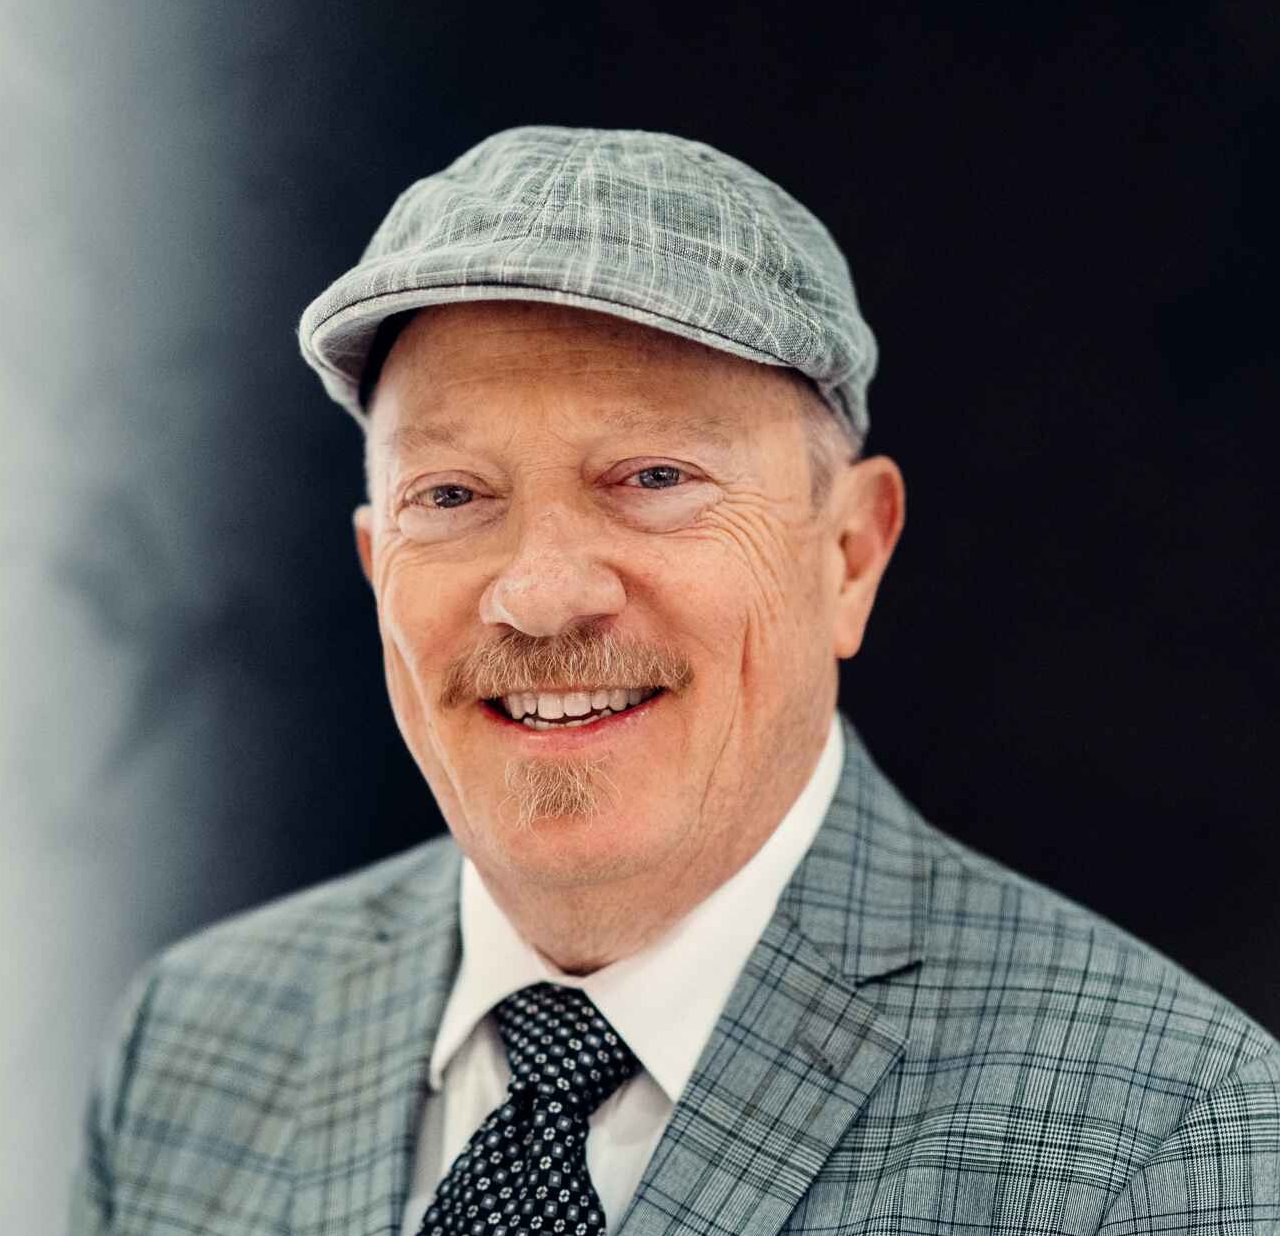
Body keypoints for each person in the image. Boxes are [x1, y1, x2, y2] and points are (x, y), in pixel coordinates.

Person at [71, 126, 1279, 1236]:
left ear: (849, 555)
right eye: (450, 494)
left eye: (653, 477)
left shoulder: (1169, 1138)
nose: (542, 593)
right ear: (377, 564)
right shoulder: (188, 1048)